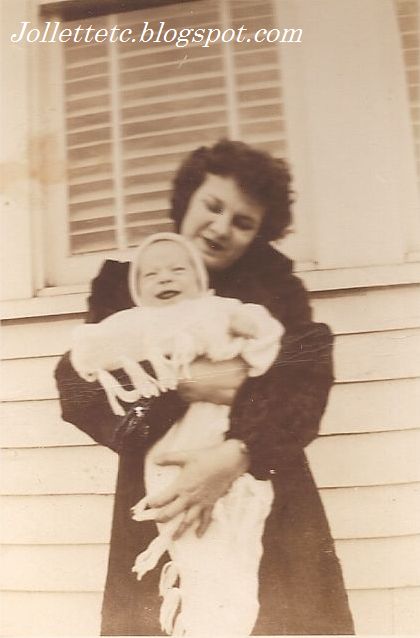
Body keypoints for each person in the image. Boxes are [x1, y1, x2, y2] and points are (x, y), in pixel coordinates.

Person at [55, 139, 355, 636]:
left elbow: (306, 379)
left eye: (243, 222)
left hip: (267, 485)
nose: (220, 227)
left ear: (259, 234)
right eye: (212, 206)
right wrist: (191, 384)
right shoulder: (127, 283)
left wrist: (236, 455)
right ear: (186, 201)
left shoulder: (274, 289)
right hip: (164, 492)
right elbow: (80, 389)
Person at [70, 231, 283, 635]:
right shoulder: (132, 322)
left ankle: (226, 611)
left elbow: (263, 337)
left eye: (178, 269)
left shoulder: (216, 309)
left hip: (223, 433)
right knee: (179, 515)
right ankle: (201, 610)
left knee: (238, 524)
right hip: (169, 443)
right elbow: (87, 354)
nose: (165, 278)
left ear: (201, 281)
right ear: (137, 290)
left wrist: (246, 330)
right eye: (151, 274)